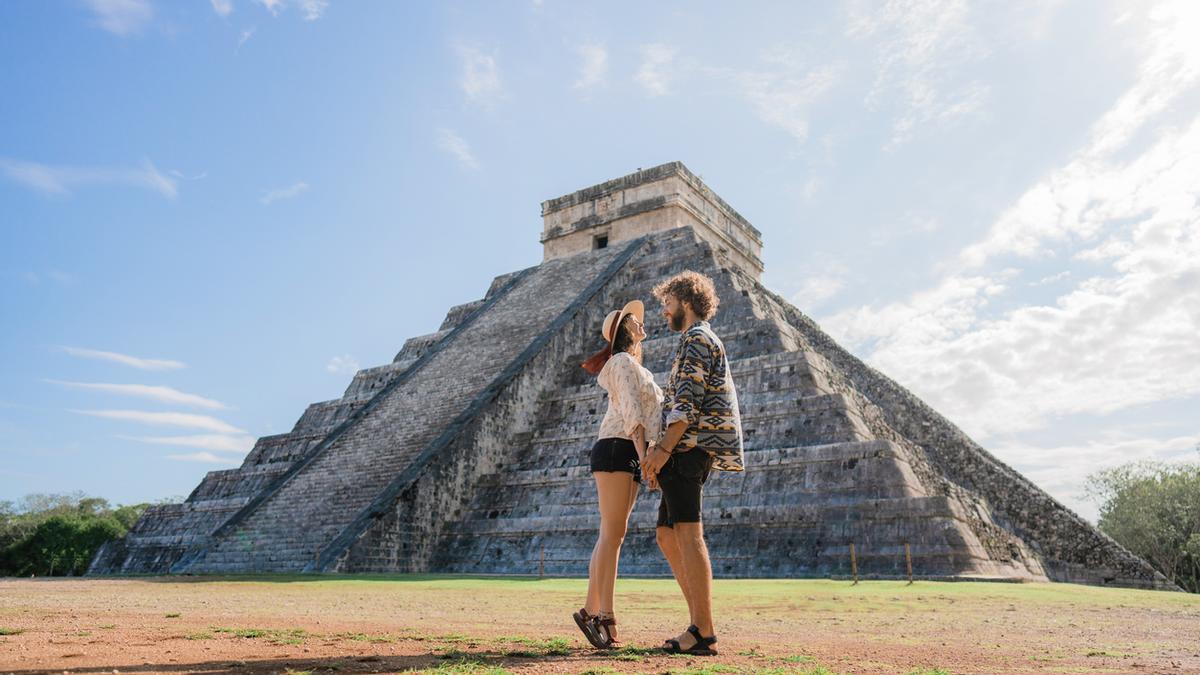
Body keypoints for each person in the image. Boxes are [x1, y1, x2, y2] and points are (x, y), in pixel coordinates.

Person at [641, 270, 744, 656]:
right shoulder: (695, 339)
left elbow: (686, 404)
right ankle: (698, 621)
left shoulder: (697, 339)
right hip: (683, 451)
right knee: (667, 535)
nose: (664, 312)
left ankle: (703, 630)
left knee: (688, 534)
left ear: (685, 301)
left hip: (687, 450)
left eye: (667, 304)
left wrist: (661, 450)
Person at [573, 299, 663, 649]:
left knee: (613, 535)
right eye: (636, 322)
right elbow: (631, 411)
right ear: (625, 329)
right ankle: (604, 616)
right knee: (612, 535)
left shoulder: (631, 364)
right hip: (617, 445)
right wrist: (645, 457)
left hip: (625, 448)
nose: (643, 325)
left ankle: (590, 610)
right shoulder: (622, 362)